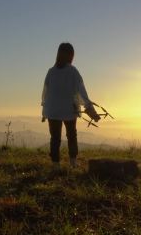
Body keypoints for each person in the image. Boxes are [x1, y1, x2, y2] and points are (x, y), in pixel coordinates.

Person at [41, 42, 99, 170]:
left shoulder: (51, 72)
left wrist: (44, 111)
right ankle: (73, 162)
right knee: (71, 135)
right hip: (69, 110)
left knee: (55, 138)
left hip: (53, 111)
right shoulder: (72, 71)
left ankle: (56, 164)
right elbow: (81, 92)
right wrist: (91, 110)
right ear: (70, 55)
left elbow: (45, 93)